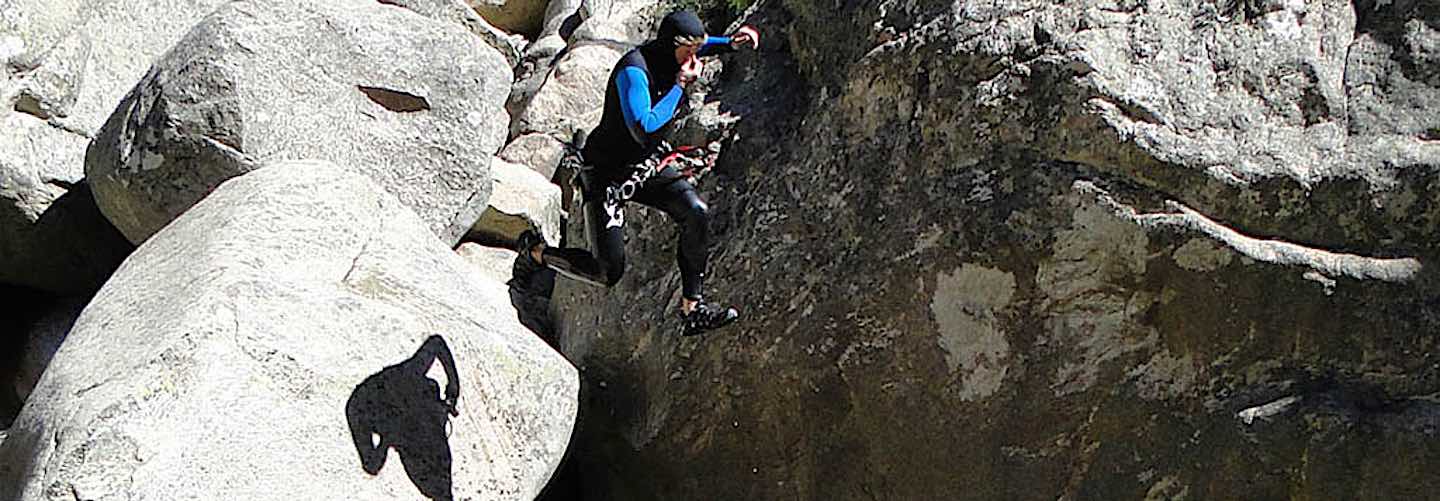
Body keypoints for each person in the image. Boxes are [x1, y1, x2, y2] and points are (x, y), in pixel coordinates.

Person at [516, 11, 759, 336]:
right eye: (690, 50)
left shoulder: (677, 53)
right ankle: (536, 252)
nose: (694, 58)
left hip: (645, 167)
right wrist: (680, 87)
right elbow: (643, 129)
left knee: (695, 213)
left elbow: (700, 47)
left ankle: (692, 309)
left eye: (696, 50)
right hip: (606, 174)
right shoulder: (634, 71)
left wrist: (730, 42)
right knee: (607, 271)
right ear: (674, 45)